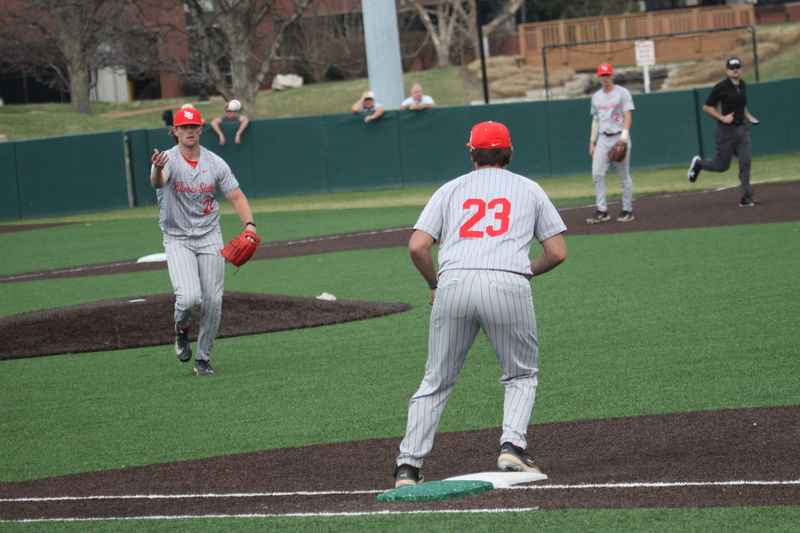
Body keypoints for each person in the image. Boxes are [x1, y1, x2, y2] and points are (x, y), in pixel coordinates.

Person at [393, 121, 568, 488]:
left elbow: (417, 246)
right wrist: (525, 272)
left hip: (453, 284)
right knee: (520, 374)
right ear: (510, 152)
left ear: (471, 152)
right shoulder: (529, 189)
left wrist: (433, 283)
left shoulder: (451, 189)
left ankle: (408, 467)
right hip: (507, 283)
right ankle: (512, 447)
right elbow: (557, 252)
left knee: (436, 379)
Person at [150, 107, 258, 376]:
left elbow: (237, 197)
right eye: (183, 127)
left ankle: (203, 358)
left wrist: (250, 225)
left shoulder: (216, 163)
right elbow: (157, 182)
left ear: (200, 129)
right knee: (188, 299)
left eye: (193, 126)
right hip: (177, 238)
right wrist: (157, 168)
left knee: (212, 301)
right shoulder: (166, 161)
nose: (189, 131)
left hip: (210, 236)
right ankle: (181, 329)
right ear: (175, 131)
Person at [687, 58, 761, 207]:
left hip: (741, 129)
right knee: (722, 165)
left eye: (738, 67)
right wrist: (722, 117)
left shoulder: (743, 85)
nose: (735, 70)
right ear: (727, 71)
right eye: (732, 68)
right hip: (725, 130)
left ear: (741, 69)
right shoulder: (721, 87)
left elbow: (740, 105)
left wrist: (748, 117)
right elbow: (707, 107)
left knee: (745, 161)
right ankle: (699, 163)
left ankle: (745, 197)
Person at [586, 63, 635, 225]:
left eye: (607, 75)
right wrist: (592, 142)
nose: (605, 78)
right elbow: (596, 120)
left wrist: (623, 138)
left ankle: (627, 209)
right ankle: (602, 211)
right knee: (597, 175)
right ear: (599, 77)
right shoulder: (596, 97)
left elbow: (627, 116)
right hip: (603, 139)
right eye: (602, 75)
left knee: (623, 176)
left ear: (612, 76)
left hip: (619, 137)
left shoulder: (622, 92)